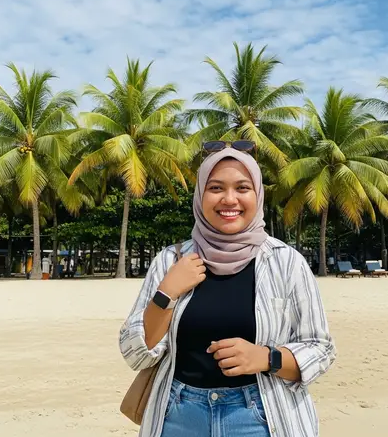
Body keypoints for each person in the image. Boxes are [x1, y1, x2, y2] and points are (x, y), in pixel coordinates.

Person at [119, 143, 336, 437]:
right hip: (178, 416)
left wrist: (266, 358)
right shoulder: (170, 261)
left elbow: (320, 348)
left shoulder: (286, 263)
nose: (229, 199)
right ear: (200, 196)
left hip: (262, 416)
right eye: (216, 188)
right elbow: (137, 356)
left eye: (242, 188)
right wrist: (166, 292)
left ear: (257, 194)